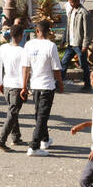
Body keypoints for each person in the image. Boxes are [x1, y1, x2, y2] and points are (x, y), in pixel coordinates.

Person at [21, 19, 63, 157]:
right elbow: (56, 69)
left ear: (37, 31)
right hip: (47, 85)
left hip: (35, 85)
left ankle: (44, 139)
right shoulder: (51, 46)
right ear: (49, 31)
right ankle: (34, 146)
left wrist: (24, 86)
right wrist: (61, 84)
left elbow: (25, 67)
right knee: (42, 116)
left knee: (39, 113)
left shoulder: (29, 45)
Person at [0, 27, 28, 152]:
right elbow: (26, 70)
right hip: (17, 86)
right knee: (12, 113)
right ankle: (1, 140)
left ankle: (16, 136)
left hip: (7, 84)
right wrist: (25, 86)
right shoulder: (22, 51)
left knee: (13, 111)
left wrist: (0, 82)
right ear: (20, 36)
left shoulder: (3, 48)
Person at [62, 0, 92, 90]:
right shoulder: (71, 12)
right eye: (69, 2)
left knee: (83, 65)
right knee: (64, 62)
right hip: (70, 44)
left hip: (79, 44)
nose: (70, 4)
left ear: (77, 1)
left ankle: (87, 84)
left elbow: (87, 31)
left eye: (72, 2)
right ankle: (59, 83)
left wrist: (85, 45)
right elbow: (67, 28)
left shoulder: (84, 13)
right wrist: (63, 40)